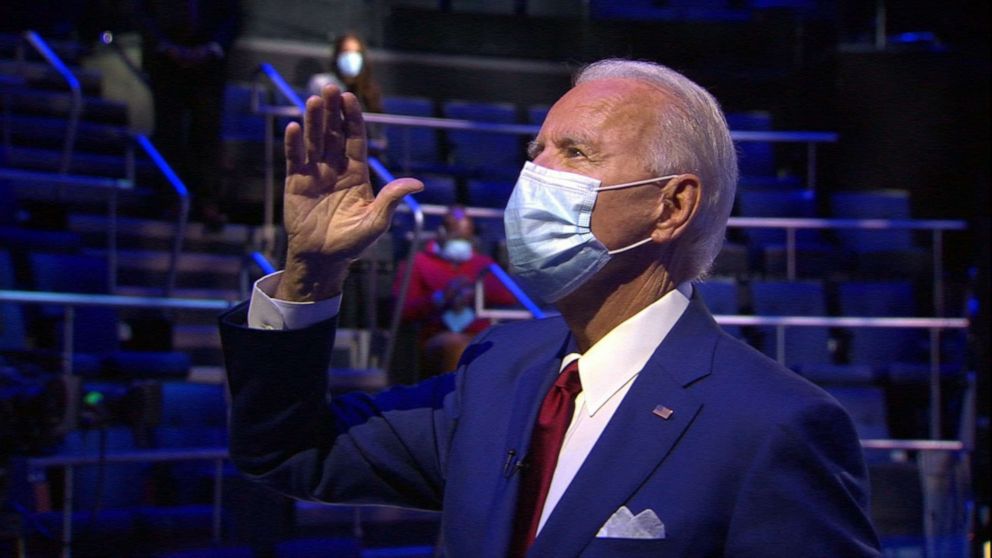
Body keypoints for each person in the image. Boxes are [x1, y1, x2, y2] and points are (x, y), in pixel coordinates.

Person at [220, 59, 881, 557]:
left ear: (671, 206)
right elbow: (288, 451)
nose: (535, 174)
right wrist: (312, 270)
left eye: (575, 153)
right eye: (536, 150)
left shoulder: (776, 427)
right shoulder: (498, 368)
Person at [134, 0, 242, 230]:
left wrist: (211, 48)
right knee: (168, 132)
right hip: (165, 65)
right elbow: (143, 13)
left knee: (207, 135)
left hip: (209, 67)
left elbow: (233, 16)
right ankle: (171, 200)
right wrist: (165, 46)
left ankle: (207, 203)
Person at [393, 205, 516, 377]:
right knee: (457, 347)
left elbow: (509, 296)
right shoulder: (418, 262)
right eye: (456, 237)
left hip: (479, 332)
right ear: (442, 233)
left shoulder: (482, 263)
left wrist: (476, 292)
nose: (461, 243)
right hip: (436, 333)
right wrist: (441, 298)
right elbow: (403, 309)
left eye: (466, 239)